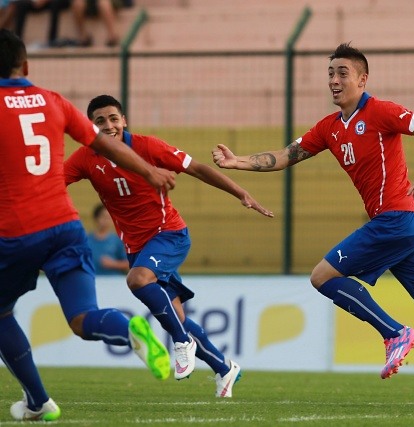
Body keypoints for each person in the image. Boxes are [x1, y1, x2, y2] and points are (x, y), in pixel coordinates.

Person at [213, 42, 414, 416]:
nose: (334, 80)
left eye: (342, 73)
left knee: (322, 276)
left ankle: (394, 332)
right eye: (330, 73)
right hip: (413, 227)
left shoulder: (379, 111)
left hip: (396, 219)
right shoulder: (329, 128)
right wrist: (237, 162)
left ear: (363, 79)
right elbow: (284, 156)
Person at [0, 29, 175, 421]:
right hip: (66, 228)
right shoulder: (54, 101)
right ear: (25, 66)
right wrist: (149, 170)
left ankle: (39, 401)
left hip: (15, 232)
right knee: (82, 319)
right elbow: (105, 143)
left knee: (0, 313)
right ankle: (126, 325)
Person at [64, 94, 274, 398]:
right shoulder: (85, 157)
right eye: (100, 121)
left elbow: (198, 168)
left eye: (113, 118)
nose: (108, 125)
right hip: (136, 246)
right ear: (90, 127)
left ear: (124, 121)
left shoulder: (148, 147)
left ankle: (180, 342)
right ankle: (224, 367)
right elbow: (53, 182)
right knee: (177, 315)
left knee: (137, 280)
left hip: (169, 234)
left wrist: (241, 192)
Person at [87, 202, 128, 275]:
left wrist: (113, 264)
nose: (106, 220)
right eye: (103, 217)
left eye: (109, 217)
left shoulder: (117, 240)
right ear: (96, 218)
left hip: (113, 281)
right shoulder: (87, 240)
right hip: (92, 279)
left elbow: (128, 264)